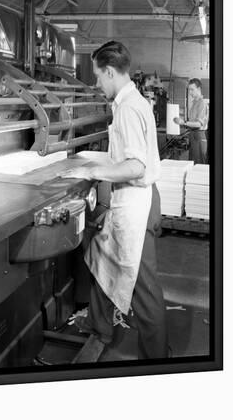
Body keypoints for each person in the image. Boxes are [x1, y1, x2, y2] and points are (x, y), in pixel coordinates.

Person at [60, 41, 168, 360]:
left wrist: (96, 170)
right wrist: (102, 168)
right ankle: (100, 326)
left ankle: (156, 360)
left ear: (110, 72)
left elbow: (136, 166)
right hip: (133, 201)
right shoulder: (128, 103)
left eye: (98, 76)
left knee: (144, 290)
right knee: (102, 259)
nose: (97, 83)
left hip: (138, 206)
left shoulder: (130, 108)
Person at [173, 78, 208, 164]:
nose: (190, 92)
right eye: (189, 90)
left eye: (192, 90)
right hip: (193, 135)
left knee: (199, 163)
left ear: (199, 89)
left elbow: (199, 124)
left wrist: (184, 122)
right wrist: (182, 123)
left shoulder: (202, 103)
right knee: (192, 162)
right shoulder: (194, 103)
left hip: (199, 135)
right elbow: (191, 122)